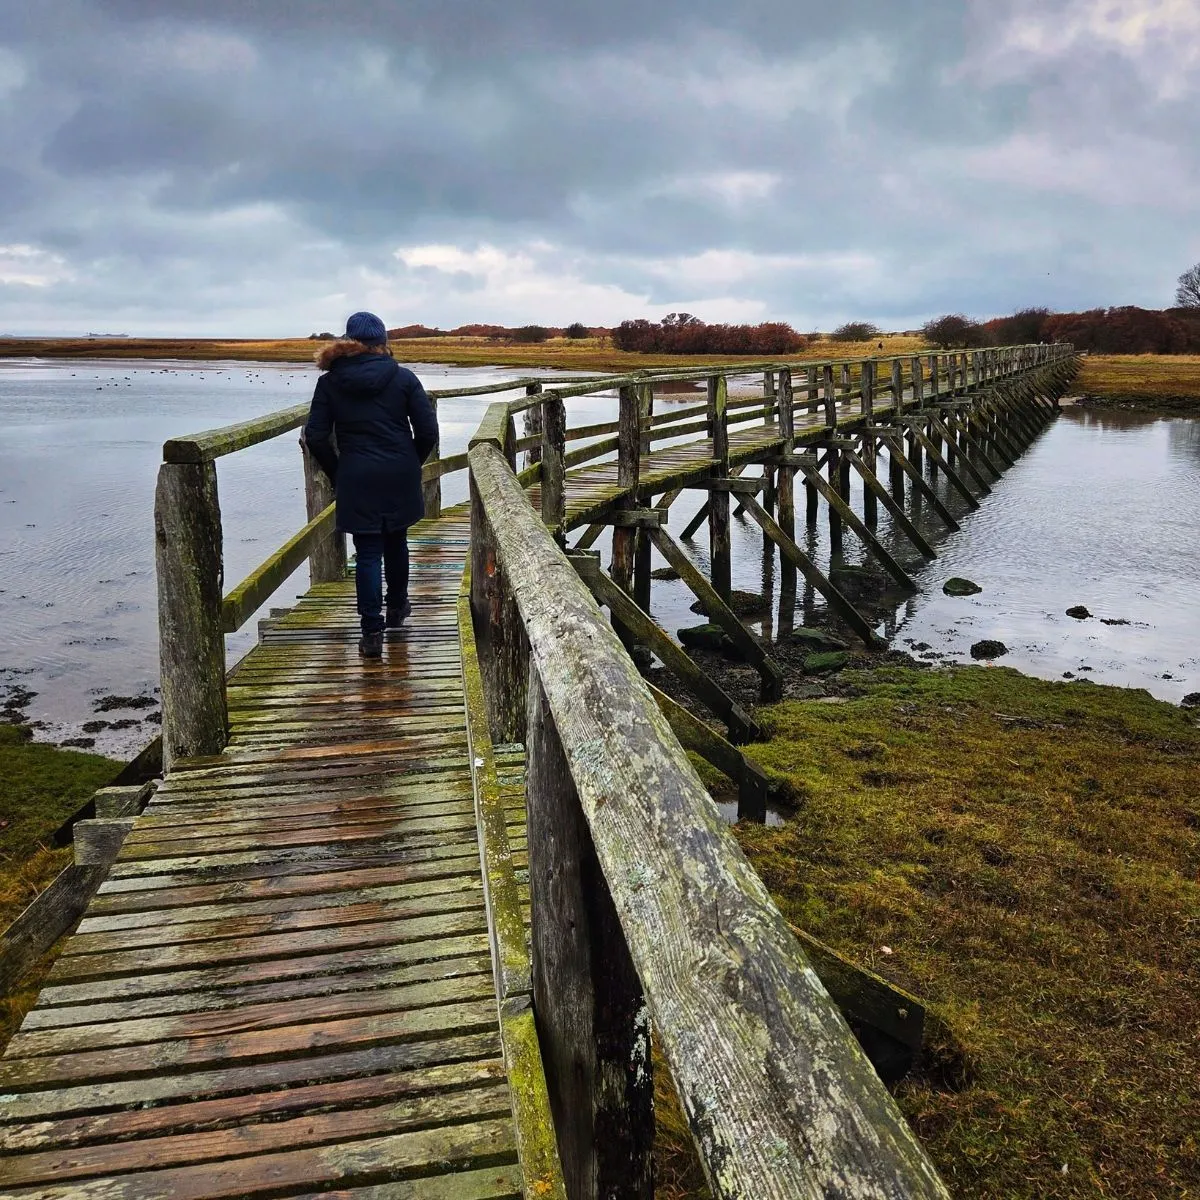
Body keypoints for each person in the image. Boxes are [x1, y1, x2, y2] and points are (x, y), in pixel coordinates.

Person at [303, 311, 439, 658]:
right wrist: (410, 462)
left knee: (367, 551)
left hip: (356, 473)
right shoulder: (404, 378)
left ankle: (371, 633)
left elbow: (316, 436)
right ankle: (396, 610)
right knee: (396, 539)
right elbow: (427, 432)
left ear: (349, 342)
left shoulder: (330, 382)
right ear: (383, 343)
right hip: (399, 471)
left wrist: (339, 472)